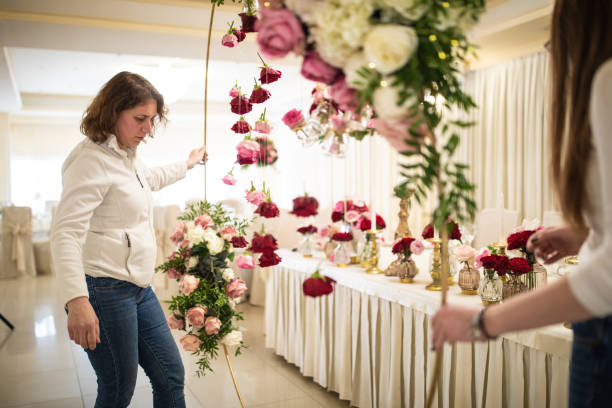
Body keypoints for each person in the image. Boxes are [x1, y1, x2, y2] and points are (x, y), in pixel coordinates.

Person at [430, 1, 612, 406]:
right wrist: (588, 234)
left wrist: (483, 322)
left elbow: (606, 281)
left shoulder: (606, 80)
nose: (551, 47)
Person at [50, 71, 206, 408]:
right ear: (112, 112)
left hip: (138, 288)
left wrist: (188, 164)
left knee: (171, 376)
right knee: (118, 388)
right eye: (140, 119)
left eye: (151, 120)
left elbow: (148, 179)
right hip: (104, 290)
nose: (148, 129)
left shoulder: (127, 154)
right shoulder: (90, 160)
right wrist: (77, 301)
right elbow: (66, 232)